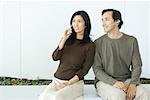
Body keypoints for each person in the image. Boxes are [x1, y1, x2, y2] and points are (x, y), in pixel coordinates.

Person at [92, 9, 149, 100]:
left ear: (117, 21)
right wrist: (114, 82)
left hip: (127, 80)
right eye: (102, 20)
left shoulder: (131, 41)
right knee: (118, 96)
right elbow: (97, 70)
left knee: (145, 94)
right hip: (105, 82)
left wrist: (133, 84)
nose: (103, 23)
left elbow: (137, 66)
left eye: (106, 19)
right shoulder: (98, 43)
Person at [38, 10, 95, 100]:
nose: (76, 24)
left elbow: (85, 69)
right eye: (74, 21)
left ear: (86, 24)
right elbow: (55, 57)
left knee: (57, 97)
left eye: (79, 21)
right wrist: (63, 39)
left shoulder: (90, 45)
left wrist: (68, 83)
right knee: (42, 98)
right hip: (57, 81)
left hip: (74, 83)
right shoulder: (67, 40)